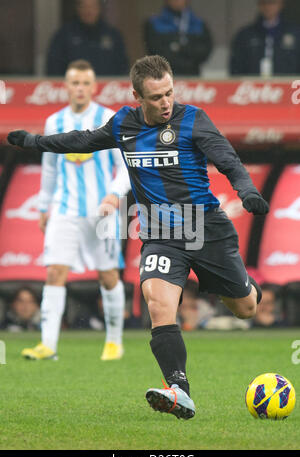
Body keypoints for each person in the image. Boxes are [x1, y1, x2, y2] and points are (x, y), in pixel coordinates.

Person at [7, 55, 269, 420]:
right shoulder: (124, 124)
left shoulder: (193, 119)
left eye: (169, 93)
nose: (166, 103)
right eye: (157, 97)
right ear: (138, 96)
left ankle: (245, 285)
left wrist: (247, 191)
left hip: (204, 228)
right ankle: (179, 390)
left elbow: (229, 161)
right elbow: (81, 140)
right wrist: (36, 141)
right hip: (160, 233)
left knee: (246, 308)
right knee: (157, 301)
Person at [19, 59, 131, 361]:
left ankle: (113, 341)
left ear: (93, 87)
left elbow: (124, 168)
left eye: (85, 83)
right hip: (65, 208)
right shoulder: (54, 122)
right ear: (66, 86)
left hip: (102, 211)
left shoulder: (109, 119)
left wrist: (113, 195)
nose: (80, 88)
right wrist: (44, 207)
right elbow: (50, 169)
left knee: (108, 275)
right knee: (55, 271)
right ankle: (48, 345)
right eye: (74, 83)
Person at [46, 0, 129, 77]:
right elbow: (53, 71)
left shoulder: (113, 36)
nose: (88, 11)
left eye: (92, 6)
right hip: (73, 90)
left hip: (107, 89)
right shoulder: (63, 36)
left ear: (100, 8)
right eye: (84, 6)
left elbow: (123, 69)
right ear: (78, 8)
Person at [229, 0, 300, 76]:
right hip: (252, 85)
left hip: (288, 85)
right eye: (263, 3)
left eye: (272, 3)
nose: (267, 7)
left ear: (281, 4)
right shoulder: (245, 35)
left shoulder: (295, 33)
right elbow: (235, 68)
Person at [144, 0, 213, 76]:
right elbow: (155, 51)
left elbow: (203, 51)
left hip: (192, 75)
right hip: (162, 75)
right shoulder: (154, 24)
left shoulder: (199, 24)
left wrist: (178, 48)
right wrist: (185, 51)